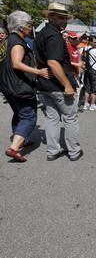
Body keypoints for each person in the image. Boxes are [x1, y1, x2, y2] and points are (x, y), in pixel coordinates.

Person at [35, 3, 83, 161]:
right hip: (58, 85)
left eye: (65, 18)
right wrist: (67, 85)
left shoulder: (42, 33)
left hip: (45, 84)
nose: (64, 21)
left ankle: (53, 150)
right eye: (60, 18)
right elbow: (53, 63)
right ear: (50, 16)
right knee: (70, 118)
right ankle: (74, 151)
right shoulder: (53, 35)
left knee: (52, 118)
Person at [0, 11, 49, 162]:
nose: (30, 27)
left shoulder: (8, 40)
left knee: (19, 113)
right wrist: (38, 71)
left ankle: (22, 139)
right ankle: (14, 148)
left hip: (7, 84)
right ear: (21, 27)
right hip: (18, 85)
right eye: (29, 25)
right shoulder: (17, 42)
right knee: (29, 117)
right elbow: (16, 63)